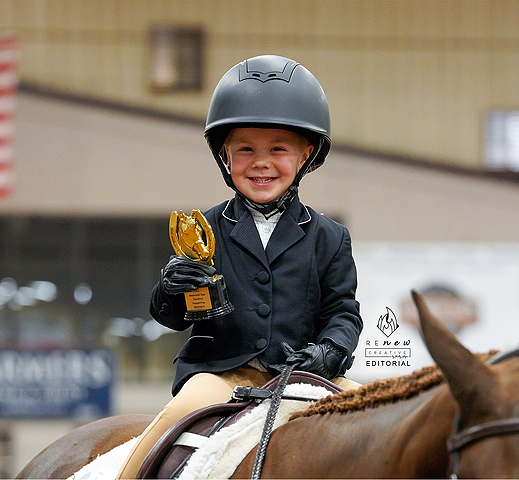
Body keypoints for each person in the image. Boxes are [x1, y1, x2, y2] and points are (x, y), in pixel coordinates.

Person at [117, 54, 363, 479]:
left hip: (302, 373)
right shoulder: (203, 227)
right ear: (225, 155)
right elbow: (171, 317)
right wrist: (171, 286)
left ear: (307, 153)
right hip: (219, 373)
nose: (261, 162)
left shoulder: (330, 237)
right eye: (245, 149)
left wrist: (330, 351)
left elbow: (343, 311)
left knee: (379, 410)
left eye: (278, 149)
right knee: (162, 434)